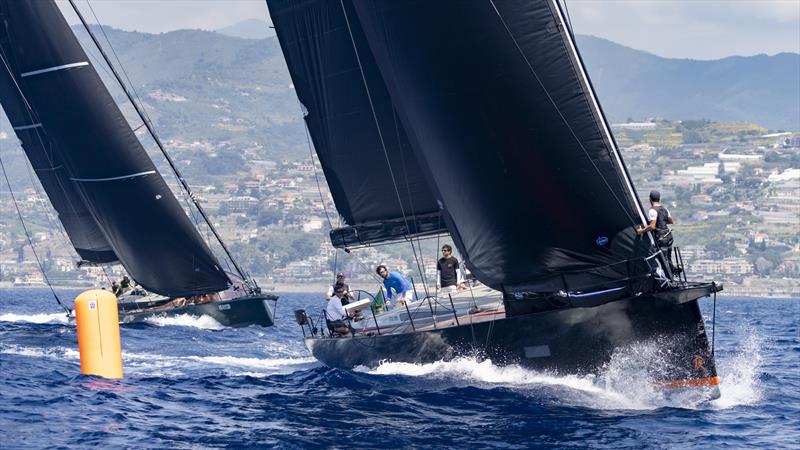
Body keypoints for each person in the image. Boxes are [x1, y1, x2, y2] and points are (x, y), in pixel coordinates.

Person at [636, 190, 679, 273]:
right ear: (659, 199)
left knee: (663, 259)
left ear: (650, 199)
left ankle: (669, 279)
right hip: (669, 236)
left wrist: (641, 231)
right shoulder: (665, 209)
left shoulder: (652, 210)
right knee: (668, 258)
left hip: (661, 237)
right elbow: (670, 221)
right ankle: (672, 272)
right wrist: (661, 221)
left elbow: (652, 226)